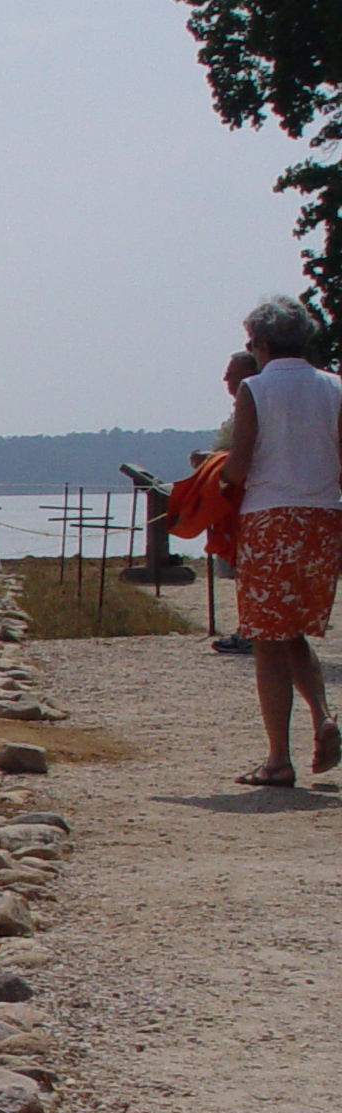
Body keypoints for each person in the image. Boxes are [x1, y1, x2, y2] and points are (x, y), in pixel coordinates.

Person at [221, 296, 342, 786]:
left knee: (267, 640)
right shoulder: (335, 386)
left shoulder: (256, 388)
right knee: (292, 628)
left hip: (271, 518)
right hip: (324, 518)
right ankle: (323, 716)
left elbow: (241, 462)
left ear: (263, 344)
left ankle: (277, 758)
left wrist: (217, 481)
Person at [210, 351, 261, 655]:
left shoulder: (256, 406)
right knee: (241, 570)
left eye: (232, 373)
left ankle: (252, 630)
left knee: (249, 568)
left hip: (248, 498)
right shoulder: (238, 411)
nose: (226, 379)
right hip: (233, 499)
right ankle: (249, 627)